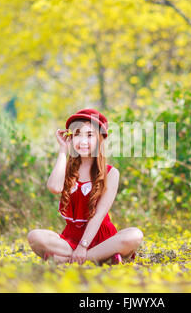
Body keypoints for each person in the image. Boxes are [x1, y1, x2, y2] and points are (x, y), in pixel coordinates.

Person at [27, 108, 143, 265]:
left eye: (89, 136)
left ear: (99, 140)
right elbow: (54, 187)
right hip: (70, 240)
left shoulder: (111, 173)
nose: (82, 141)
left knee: (134, 235)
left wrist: (83, 247)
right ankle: (102, 258)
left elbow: (99, 215)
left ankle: (74, 258)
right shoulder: (67, 169)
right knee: (34, 236)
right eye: (77, 135)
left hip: (103, 240)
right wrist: (63, 150)